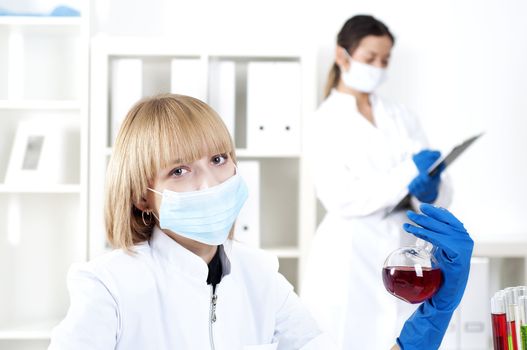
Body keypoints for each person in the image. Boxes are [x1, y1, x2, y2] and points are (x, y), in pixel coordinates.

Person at [48, 94, 472, 349]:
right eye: (179, 170)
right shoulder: (107, 284)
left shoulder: (259, 276)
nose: (210, 182)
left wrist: (433, 317)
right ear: (144, 195)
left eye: (218, 159)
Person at [301, 15, 454, 350]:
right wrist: (405, 176)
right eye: (370, 58)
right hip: (349, 254)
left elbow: (439, 187)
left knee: (401, 335)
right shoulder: (323, 122)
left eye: (384, 60)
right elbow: (340, 196)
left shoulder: (400, 115)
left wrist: (431, 189)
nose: (378, 67)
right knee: (349, 337)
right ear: (343, 56)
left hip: (401, 245)